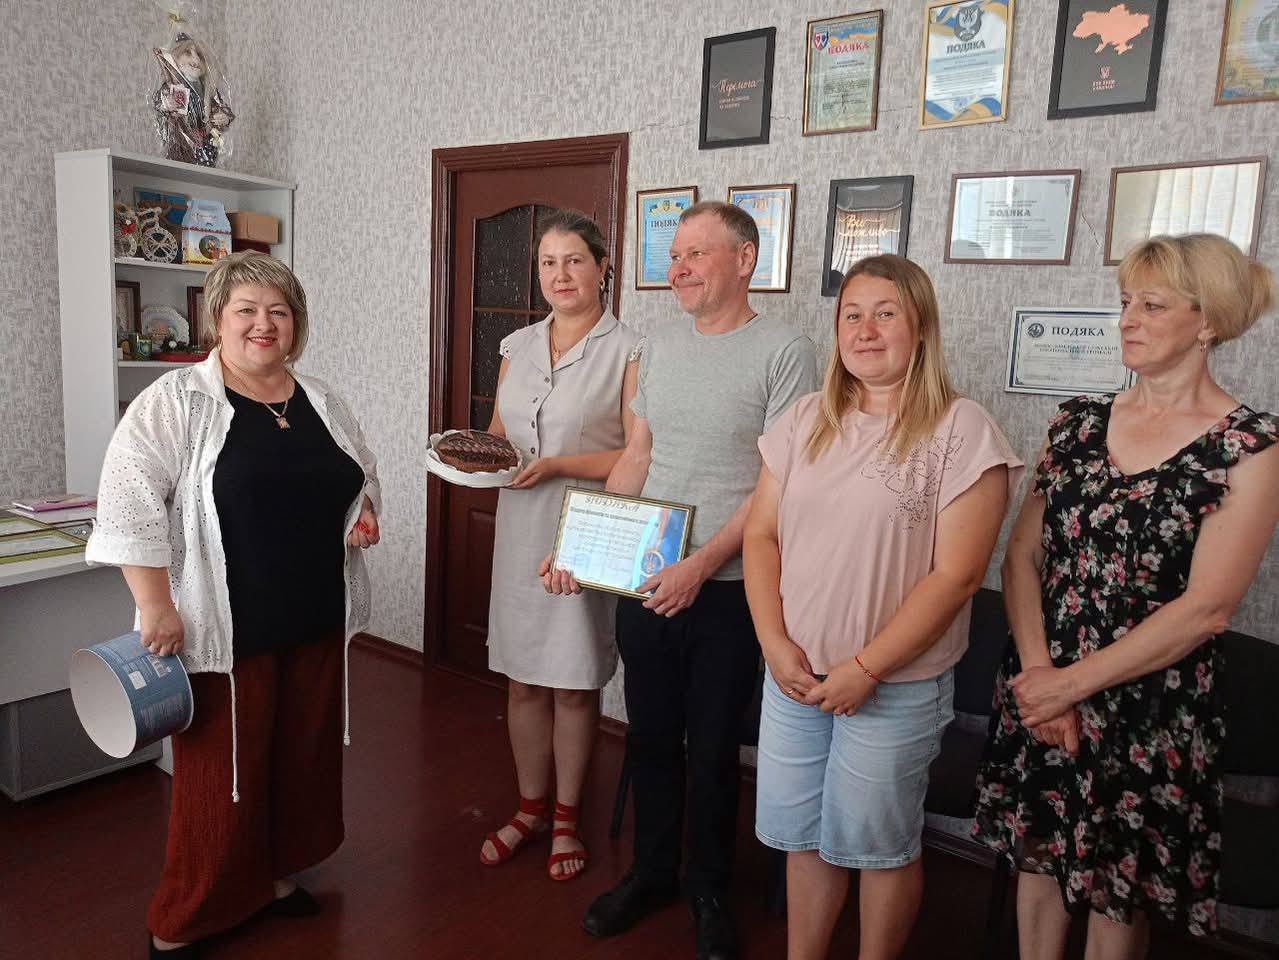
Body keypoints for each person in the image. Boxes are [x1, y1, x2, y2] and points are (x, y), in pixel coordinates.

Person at [973, 234, 1279, 958]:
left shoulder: (1249, 447)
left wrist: (1068, 687)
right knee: (1039, 859)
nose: (1128, 320)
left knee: (1118, 888)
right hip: (1042, 680)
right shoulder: (1076, 421)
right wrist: (1042, 679)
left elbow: (1206, 608)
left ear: (1207, 322)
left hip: (1148, 703)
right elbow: (1022, 557)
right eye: (1125, 302)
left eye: (1152, 305)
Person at [86, 251, 380, 958]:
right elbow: (127, 500)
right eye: (246, 310)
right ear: (217, 319)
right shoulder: (177, 400)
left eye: (278, 311)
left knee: (299, 757)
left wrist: (362, 512)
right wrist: (154, 604)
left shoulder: (320, 398)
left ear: (296, 323)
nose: (262, 324)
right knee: (222, 776)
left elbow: (357, 472)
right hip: (225, 625)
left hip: (313, 614)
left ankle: (272, 879)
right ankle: (183, 919)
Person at [547, 200, 817, 960]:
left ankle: (708, 888)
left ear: (744, 260)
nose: (679, 268)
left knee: (714, 748)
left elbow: (775, 483)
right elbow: (638, 456)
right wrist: (582, 544)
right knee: (652, 737)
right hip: (647, 581)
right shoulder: (659, 347)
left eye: (697, 253)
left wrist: (701, 564)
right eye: (674, 256)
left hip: (729, 590)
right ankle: (651, 872)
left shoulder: (785, 350)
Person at [743, 254, 1023, 960]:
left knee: (878, 847)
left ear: (920, 327)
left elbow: (957, 576)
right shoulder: (805, 418)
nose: (865, 331)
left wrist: (866, 668)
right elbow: (761, 535)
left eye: (885, 314)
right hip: (795, 677)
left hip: (892, 686)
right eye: (851, 315)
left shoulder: (962, 431)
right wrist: (773, 644)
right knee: (805, 838)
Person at [479, 209, 642, 881]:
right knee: (522, 678)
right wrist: (469, 458)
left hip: (585, 525)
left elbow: (638, 453)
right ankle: (529, 810)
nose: (560, 274)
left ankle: (568, 818)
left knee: (573, 682)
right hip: (520, 526)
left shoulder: (629, 350)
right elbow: (498, 434)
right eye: (548, 262)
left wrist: (557, 465)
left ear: (602, 267)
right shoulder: (516, 346)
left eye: (574, 260)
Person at [152, 32, 234, 167]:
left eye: (200, 55)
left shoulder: (208, 91)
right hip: (180, 146)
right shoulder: (172, 86)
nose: (196, 58)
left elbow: (220, 107)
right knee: (180, 169)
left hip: (205, 145)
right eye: (188, 53)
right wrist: (165, 104)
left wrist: (223, 117)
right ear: (175, 58)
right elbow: (159, 101)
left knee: (202, 173)